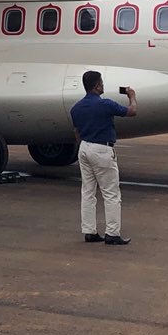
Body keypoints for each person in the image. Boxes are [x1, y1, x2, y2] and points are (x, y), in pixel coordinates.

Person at [69, 70, 134, 246]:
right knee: (111, 193)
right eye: (102, 83)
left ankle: (89, 231)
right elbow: (132, 111)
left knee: (88, 192)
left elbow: (77, 131)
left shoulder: (76, 108)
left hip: (84, 147)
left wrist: (84, 145)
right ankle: (112, 233)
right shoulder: (106, 104)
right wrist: (132, 96)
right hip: (102, 149)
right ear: (97, 86)